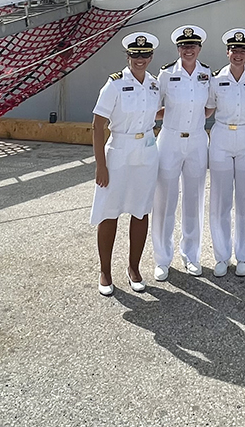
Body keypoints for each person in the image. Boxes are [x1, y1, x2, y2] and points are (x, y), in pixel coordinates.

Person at [91, 31, 162, 296]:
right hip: (118, 151)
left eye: (144, 54)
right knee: (109, 212)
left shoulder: (154, 85)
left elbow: (155, 112)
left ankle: (134, 268)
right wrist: (101, 164)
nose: (140, 59)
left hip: (146, 152)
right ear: (128, 56)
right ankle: (105, 271)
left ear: (151, 56)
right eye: (135, 54)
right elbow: (98, 125)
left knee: (141, 210)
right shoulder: (115, 84)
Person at [151, 24, 212, 281]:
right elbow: (154, 109)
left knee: (194, 199)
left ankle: (191, 255)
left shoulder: (207, 74)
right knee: (164, 201)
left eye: (193, 46)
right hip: (170, 140)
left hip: (197, 140)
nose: (189, 50)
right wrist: (174, 118)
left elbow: (209, 108)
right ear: (178, 49)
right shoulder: (165, 75)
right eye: (184, 46)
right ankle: (162, 259)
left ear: (199, 48)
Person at [206, 28, 245, 276]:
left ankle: (244, 256)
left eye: (242, 50)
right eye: (234, 50)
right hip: (220, 137)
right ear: (227, 52)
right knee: (220, 199)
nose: (237, 54)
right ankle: (221, 256)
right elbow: (207, 109)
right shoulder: (215, 79)